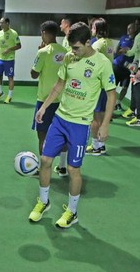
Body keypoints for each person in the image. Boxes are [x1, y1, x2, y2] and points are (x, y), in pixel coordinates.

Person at [28, 22, 116, 228]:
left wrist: (104, 124)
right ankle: (43, 201)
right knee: (46, 159)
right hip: (60, 118)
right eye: (71, 48)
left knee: (73, 169)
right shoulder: (68, 57)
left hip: (80, 124)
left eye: (76, 48)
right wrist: (43, 108)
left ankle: (72, 211)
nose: (73, 52)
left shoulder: (102, 63)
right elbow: (59, 84)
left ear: (88, 43)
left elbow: (111, 95)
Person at [31, 21, 69, 177]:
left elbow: (34, 74)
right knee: (64, 135)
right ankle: (62, 166)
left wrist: (39, 53)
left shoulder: (43, 52)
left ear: (44, 33)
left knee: (42, 135)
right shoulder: (66, 52)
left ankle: (43, 169)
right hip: (63, 101)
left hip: (45, 101)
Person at [87, 17, 115, 156]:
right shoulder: (109, 43)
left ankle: (95, 146)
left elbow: (90, 62)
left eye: (92, 28)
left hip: (98, 85)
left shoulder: (97, 45)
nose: (91, 30)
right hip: (107, 84)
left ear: (97, 29)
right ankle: (101, 145)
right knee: (102, 115)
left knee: (95, 117)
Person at [0, 17, 21, 104]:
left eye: (2, 23)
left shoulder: (14, 33)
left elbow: (19, 46)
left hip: (9, 60)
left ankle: (9, 96)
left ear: (7, 23)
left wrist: (9, 49)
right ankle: (0, 92)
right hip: (0, 59)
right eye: (0, 23)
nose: (1, 24)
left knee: (10, 78)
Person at [121, 18, 140, 119]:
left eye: (138, 24)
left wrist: (126, 51)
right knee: (137, 89)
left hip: (139, 65)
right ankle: (134, 111)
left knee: (137, 90)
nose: (136, 27)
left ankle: (137, 115)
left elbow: (133, 52)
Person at [112, 23, 136, 112]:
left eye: (130, 28)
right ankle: (111, 103)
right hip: (117, 65)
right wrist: (120, 51)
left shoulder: (136, 40)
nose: (128, 29)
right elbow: (116, 50)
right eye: (127, 28)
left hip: (127, 68)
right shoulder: (123, 37)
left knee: (125, 87)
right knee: (112, 87)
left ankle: (118, 103)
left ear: (134, 29)